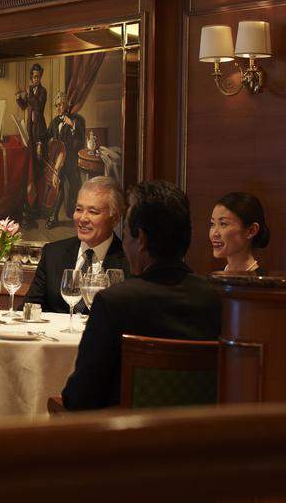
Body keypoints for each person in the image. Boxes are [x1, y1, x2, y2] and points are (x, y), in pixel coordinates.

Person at [62, 180, 222, 410]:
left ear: (141, 240)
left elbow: (80, 398)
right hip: (200, 430)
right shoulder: (218, 299)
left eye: (126, 232)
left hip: (128, 431)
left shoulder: (114, 302)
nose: (124, 241)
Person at [25, 176, 130, 313]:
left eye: (93, 212)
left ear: (115, 218)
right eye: (79, 209)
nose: (83, 218)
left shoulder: (129, 262)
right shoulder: (52, 254)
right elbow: (29, 308)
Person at [45, 91, 86, 229]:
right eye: (56, 105)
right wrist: (39, 143)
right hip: (59, 160)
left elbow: (81, 140)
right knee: (59, 185)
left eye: (61, 104)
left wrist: (72, 125)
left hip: (71, 160)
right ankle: (53, 216)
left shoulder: (77, 119)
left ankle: (75, 215)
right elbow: (47, 135)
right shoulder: (55, 121)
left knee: (74, 187)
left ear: (66, 104)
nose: (58, 107)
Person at [16, 63, 48, 223]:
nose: (36, 79)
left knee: (37, 173)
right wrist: (19, 98)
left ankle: (37, 209)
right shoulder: (31, 91)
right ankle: (30, 208)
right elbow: (25, 106)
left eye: (38, 76)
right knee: (30, 171)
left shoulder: (43, 91)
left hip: (39, 134)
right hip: (30, 132)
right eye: (34, 77)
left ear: (40, 77)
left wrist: (28, 93)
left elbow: (38, 106)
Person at [210, 192, 270, 274]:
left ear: (251, 230)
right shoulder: (214, 278)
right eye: (212, 224)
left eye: (223, 224)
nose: (214, 233)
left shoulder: (263, 280)